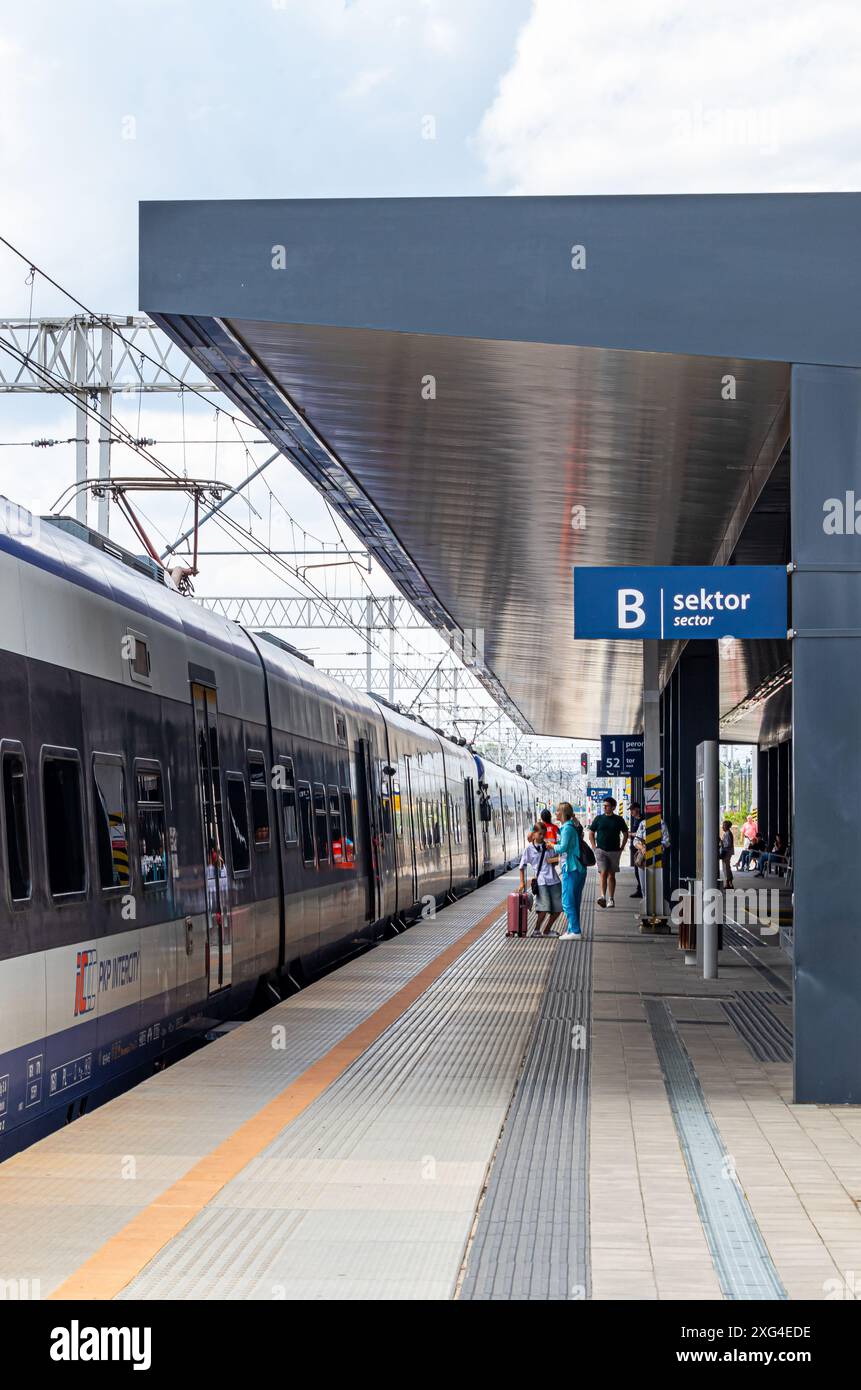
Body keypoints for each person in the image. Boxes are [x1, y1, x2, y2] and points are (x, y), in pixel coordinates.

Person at [518, 823, 562, 937]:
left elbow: (556, 861)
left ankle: (547, 930)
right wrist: (522, 883)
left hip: (554, 880)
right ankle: (536, 930)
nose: (542, 836)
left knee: (558, 908)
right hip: (541, 881)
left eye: (544, 834)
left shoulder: (549, 846)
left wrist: (552, 859)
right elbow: (521, 866)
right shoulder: (529, 849)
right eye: (540, 834)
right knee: (543, 908)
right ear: (534, 834)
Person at [588, 796, 628, 908]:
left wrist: (622, 846)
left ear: (613, 807)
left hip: (614, 851)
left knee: (611, 875)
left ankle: (611, 898)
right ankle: (602, 897)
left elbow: (625, 833)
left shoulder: (619, 820)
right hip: (601, 850)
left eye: (607, 806)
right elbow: (591, 832)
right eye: (604, 806)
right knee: (603, 872)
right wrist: (594, 846)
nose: (605, 807)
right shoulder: (599, 819)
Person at [555, 802, 587, 939]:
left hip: (572, 868)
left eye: (557, 811)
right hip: (577, 868)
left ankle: (575, 931)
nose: (555, 813)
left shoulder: (567, 828)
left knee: (567, 901)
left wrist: (551, 845)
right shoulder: (571, 827)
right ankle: (571, 929)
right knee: (574, 901)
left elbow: (562, 848)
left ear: (562, 813)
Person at [628, 800, 643, 898]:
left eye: (632, 810)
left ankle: (641, 890)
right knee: (637, 871)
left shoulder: (642, 820)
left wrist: (630, 834)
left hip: (641, 849)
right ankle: (640, 889)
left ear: (637, 809)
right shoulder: (636, 820)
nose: (631, 812)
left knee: (639, 870)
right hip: (635, 849)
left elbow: (640, 834)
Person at [719, 820, 735, 888]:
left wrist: (721, 842)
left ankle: (727, 883)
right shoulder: (727, 833)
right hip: (728, 852)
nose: (722, 827)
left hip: (726, 852)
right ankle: (730, 882)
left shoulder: (728, 834)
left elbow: (728, 844)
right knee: (727, 867)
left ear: (727, 826)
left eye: (724, 825)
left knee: (726, 868)